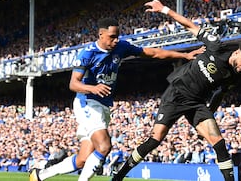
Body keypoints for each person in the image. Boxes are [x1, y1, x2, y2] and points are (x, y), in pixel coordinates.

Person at [29, 17, 204, 181]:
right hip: (86, 103)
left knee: (83, 159)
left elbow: (153, 53)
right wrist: (93, 88)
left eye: (117, 37)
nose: (115, 40)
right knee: (104, 147)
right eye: (112, 37)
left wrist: (184, 56)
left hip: (103, 106)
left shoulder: (121, 47)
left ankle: (40, 175)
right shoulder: (87, 54)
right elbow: (73, 84)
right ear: (101, 34)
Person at [111, 0, 241, 181]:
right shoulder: (216, 46)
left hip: (196, 104)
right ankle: (119, 175)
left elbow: (219, 95)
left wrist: (209, 115)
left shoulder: (234, 76)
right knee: (155, 140)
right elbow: (190, 25)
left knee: (219, 143)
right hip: (176, 94)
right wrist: (163, 9)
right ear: (238, 52)